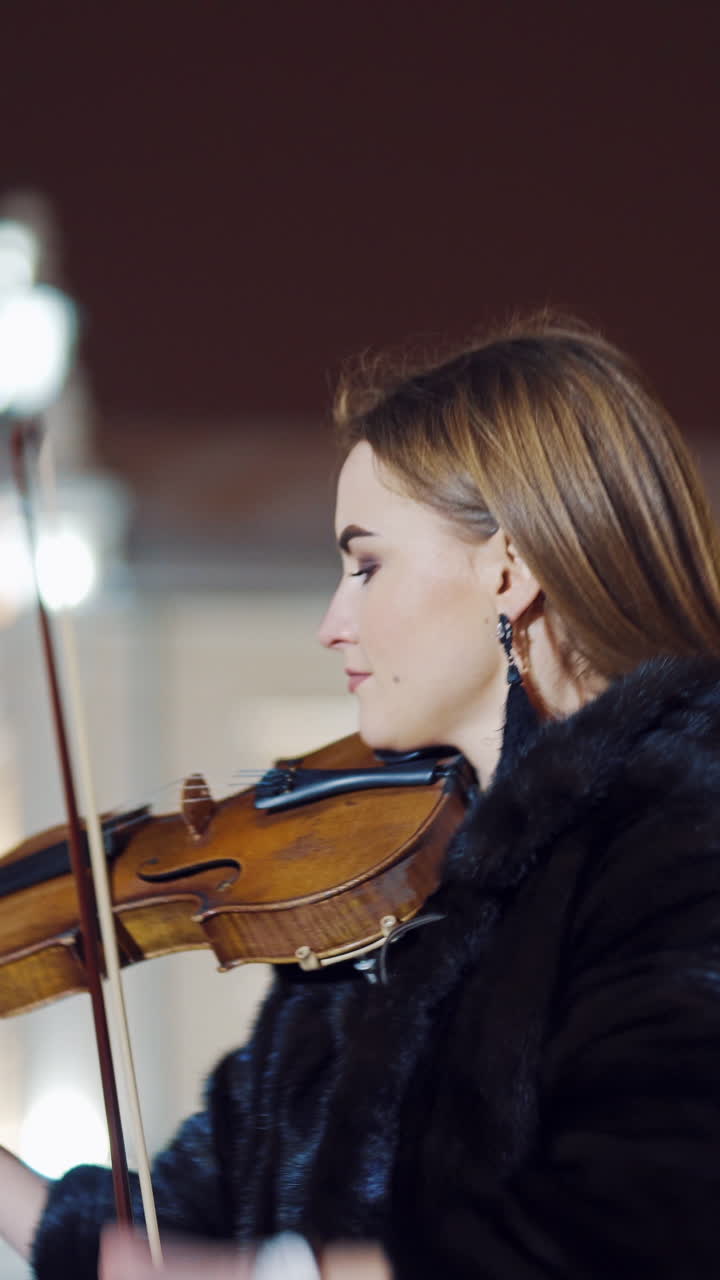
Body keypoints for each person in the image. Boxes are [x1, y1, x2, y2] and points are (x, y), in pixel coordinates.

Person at [3, 313, 720, 1279]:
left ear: (509, 569)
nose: (333, 624)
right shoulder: (388, 885)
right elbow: (178, 1239)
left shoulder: (680, 841)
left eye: (366, 565)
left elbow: (641, 1229)